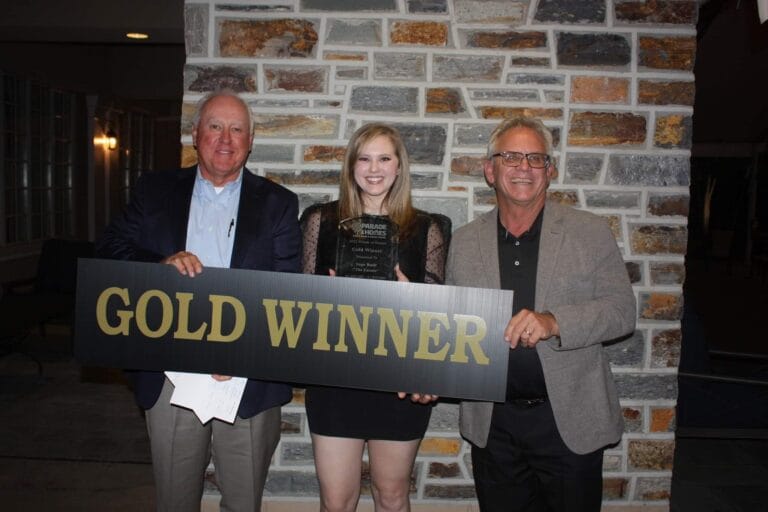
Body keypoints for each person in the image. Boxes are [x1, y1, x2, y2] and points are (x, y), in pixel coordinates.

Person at [96, 89, 301, 512]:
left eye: (237, 129)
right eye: (214, 126)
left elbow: (287, 287)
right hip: (171, 374)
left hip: (246, 379)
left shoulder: (278, 204)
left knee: (243, 503)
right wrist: (160, 264)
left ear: (250, 140)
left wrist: (241, 354)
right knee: (174, 500)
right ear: (195, 134)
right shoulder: (154, 191)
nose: (225, 138)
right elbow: (110, 248)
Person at [446, 117, 636, 512]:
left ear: (550, 171)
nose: (523, 167)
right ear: (489, 169)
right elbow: (452, 325)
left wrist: (554, 322)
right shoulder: (463, 242)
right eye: (511, 156)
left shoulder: (590, 231)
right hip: (493, 426)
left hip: (568, 422)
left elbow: (622, 312)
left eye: (536, 158)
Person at [299, 123, 451, 512]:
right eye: (364, 158)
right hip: (335, 379)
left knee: (392, 495)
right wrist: (323, 298)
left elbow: (436, 318)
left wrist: (410, 299)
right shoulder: (321, 221)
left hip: (398, 382)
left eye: (384, 158)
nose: (374, 168)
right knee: (336, 502)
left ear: (399, 167)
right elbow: (299, 307)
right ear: (351, 167)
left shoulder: (427, 228)